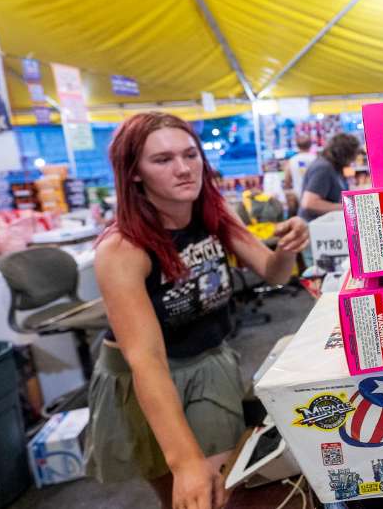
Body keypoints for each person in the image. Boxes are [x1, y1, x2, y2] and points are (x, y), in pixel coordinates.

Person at [85, 112, 308, 509]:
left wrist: (288, 249)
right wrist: (184, 461)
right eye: (163, 160)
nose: (184, 169)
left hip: (205, 359)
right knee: (179, 492)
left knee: (216, 489)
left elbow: (273, 274)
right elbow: (146, 360)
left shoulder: (215, 213)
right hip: (141, 378)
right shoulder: (122, 249)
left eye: (191, 155)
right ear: (134, 173)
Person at [298, 133, 359, 222]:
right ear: (345, 154)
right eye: (354, 155)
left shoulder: (334, 167)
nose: (354, 159)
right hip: (313, 227)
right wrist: (348, 207)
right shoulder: (323, 168)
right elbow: (309, 203)